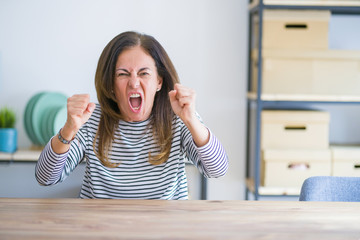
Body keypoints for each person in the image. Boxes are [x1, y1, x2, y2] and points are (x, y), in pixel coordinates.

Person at [35, 31, 228, 199]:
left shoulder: (178, 118)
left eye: (144, 73)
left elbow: (218, 169)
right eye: (123, 74)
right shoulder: (91, 119)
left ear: (159, 82)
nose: (134, 83)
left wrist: (192, 120)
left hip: (165, 228)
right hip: (99, 228)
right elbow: (45, 178)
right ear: (110, 84)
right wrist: (68, 129)